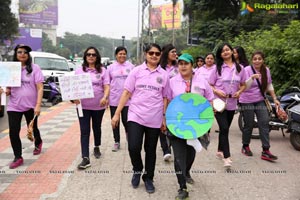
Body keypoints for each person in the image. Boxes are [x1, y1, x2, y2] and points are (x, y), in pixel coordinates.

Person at [111, 43, 169, 194]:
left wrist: (163, 117)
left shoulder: (164, 75)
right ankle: (137, 169)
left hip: (155, 118)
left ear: (160, 55)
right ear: (146, 54)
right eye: (151, 53)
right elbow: (126, 93)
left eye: (157, 53)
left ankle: (148, 177)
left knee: (150, 150)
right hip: (135, 115)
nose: (154, 56)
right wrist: (117, 113)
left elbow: (165, 98)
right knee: (133, 147)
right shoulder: (136, 71)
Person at [167, 53, 214, 199]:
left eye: (186, 63)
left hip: (195, 125)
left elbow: (210, 99)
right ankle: (182, 187)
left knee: (190, 153)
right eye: (180, 64)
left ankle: (186, 171)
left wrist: (208, 119)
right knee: (179, 156)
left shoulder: (202, 82)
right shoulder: (172, 82)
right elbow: (167, 101)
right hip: (177, 124)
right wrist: (164, 119)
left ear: (192, 65)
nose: (182, 66)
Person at [3, 44, 44, 169]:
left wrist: (38, 105)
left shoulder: (34, 68)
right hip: (14, 106)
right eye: (19, 52)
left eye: (25, 52)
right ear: (16, 54)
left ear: (28, 55)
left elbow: (40, 87)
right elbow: (8, 89)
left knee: (33, 128)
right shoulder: (11, 69)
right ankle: (18, 156)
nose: (22, 54)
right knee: (13, 132)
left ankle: (38, 142)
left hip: (31, 106)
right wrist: (4, 90)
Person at [208, 43, 246, 168]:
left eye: (227, 50)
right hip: (218, 102)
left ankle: (219, 149)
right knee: (224, 128)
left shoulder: (240, 68)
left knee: (225, 128)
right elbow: (209, 84)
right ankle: (227, 157)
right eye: (222, 51)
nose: (225, 52)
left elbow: (244, 84)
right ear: (220, 54)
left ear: (232, 52)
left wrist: (239, 92)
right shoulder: (217, 68)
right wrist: (216, 91)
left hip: (231, 102)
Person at [74, 46, 109, 169]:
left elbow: (106, 86)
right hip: (82, 106)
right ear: (85, 56)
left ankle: (96, 146)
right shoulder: (79, 71)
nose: (91, 56)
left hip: (98, 106)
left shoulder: (103, 71)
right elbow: (73, 87)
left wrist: (105, 97)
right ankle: (85, 158)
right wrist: (73, 98)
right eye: (88, 54)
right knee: (84, 131)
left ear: (97, 57)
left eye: (93, 55)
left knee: (96, 127)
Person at [239, 51, 279, 161]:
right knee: (249, 123)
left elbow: (269, 85)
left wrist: (275, 98)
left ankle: (266, 150)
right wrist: (251, 78)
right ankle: (245, 146)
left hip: (260, 100)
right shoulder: (246, 70)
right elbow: (242, 87)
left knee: (264, 122)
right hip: (246, 100)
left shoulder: (266, 70)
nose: (257, 61)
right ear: (252, 60)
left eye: (259, 59)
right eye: (255, 59)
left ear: (263, 60)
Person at [107, 46, 134, 152]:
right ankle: (116, 141)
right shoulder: (110, 68)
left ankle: (129, 139)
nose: (122, 55)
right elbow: (107, 84)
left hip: (128, 101)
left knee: (127, 121)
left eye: (124, 53)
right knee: (115, 122)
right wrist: (106, 98)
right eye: (120, 54)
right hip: (114, 99)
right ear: (116, 55)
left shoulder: (131, 67)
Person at [159, 44, 178, 162]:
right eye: (173, 52)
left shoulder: (178, 67)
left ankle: (172, 144)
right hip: (162, 100)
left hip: (176, 100)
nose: (175, 54)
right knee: (162, 123)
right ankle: (166, 149)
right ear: (166, 53)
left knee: (173, 123)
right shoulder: (160, 68)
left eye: (176, 52)